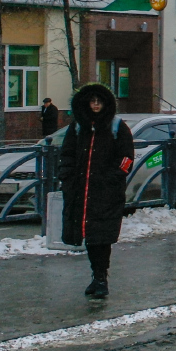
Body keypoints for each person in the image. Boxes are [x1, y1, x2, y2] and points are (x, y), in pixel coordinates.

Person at [59, 83, 135, 298]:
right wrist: (67, 178)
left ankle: (102, 277)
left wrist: (111, 178)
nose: (95, 105)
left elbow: (127, 159)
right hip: (81, 193)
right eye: (92, 101)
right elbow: (67, 155)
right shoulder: (77, 128)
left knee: (102, 237)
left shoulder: (117, 127)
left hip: (106, 194)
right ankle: (96, 276)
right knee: (90, 236)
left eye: (99, 101)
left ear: (105, 104)